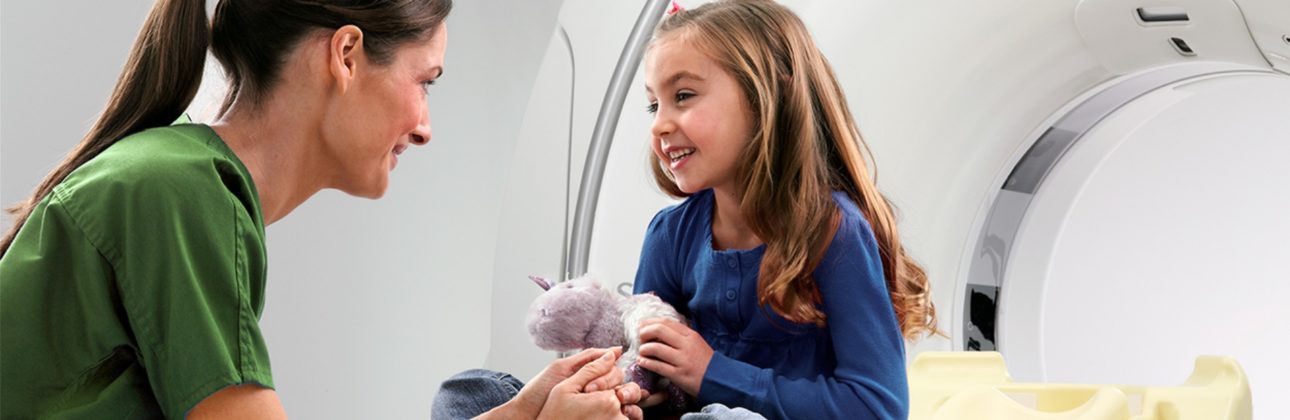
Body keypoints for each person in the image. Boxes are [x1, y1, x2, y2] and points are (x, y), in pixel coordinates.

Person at [0, 0, 641, 418]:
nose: (425, 128)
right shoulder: (177, 194)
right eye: (425, 81)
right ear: (346, 54)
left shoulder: (182, 180)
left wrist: (519, 413)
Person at [630, 0, 940, 418]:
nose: (659, 124)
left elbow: (878, 407)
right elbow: (644, 371)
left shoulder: (833, 233)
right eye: (654, 105)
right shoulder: (669, 236)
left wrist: (711, 373)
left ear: (765, 98)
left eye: (683, 96)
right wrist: (639, 389)